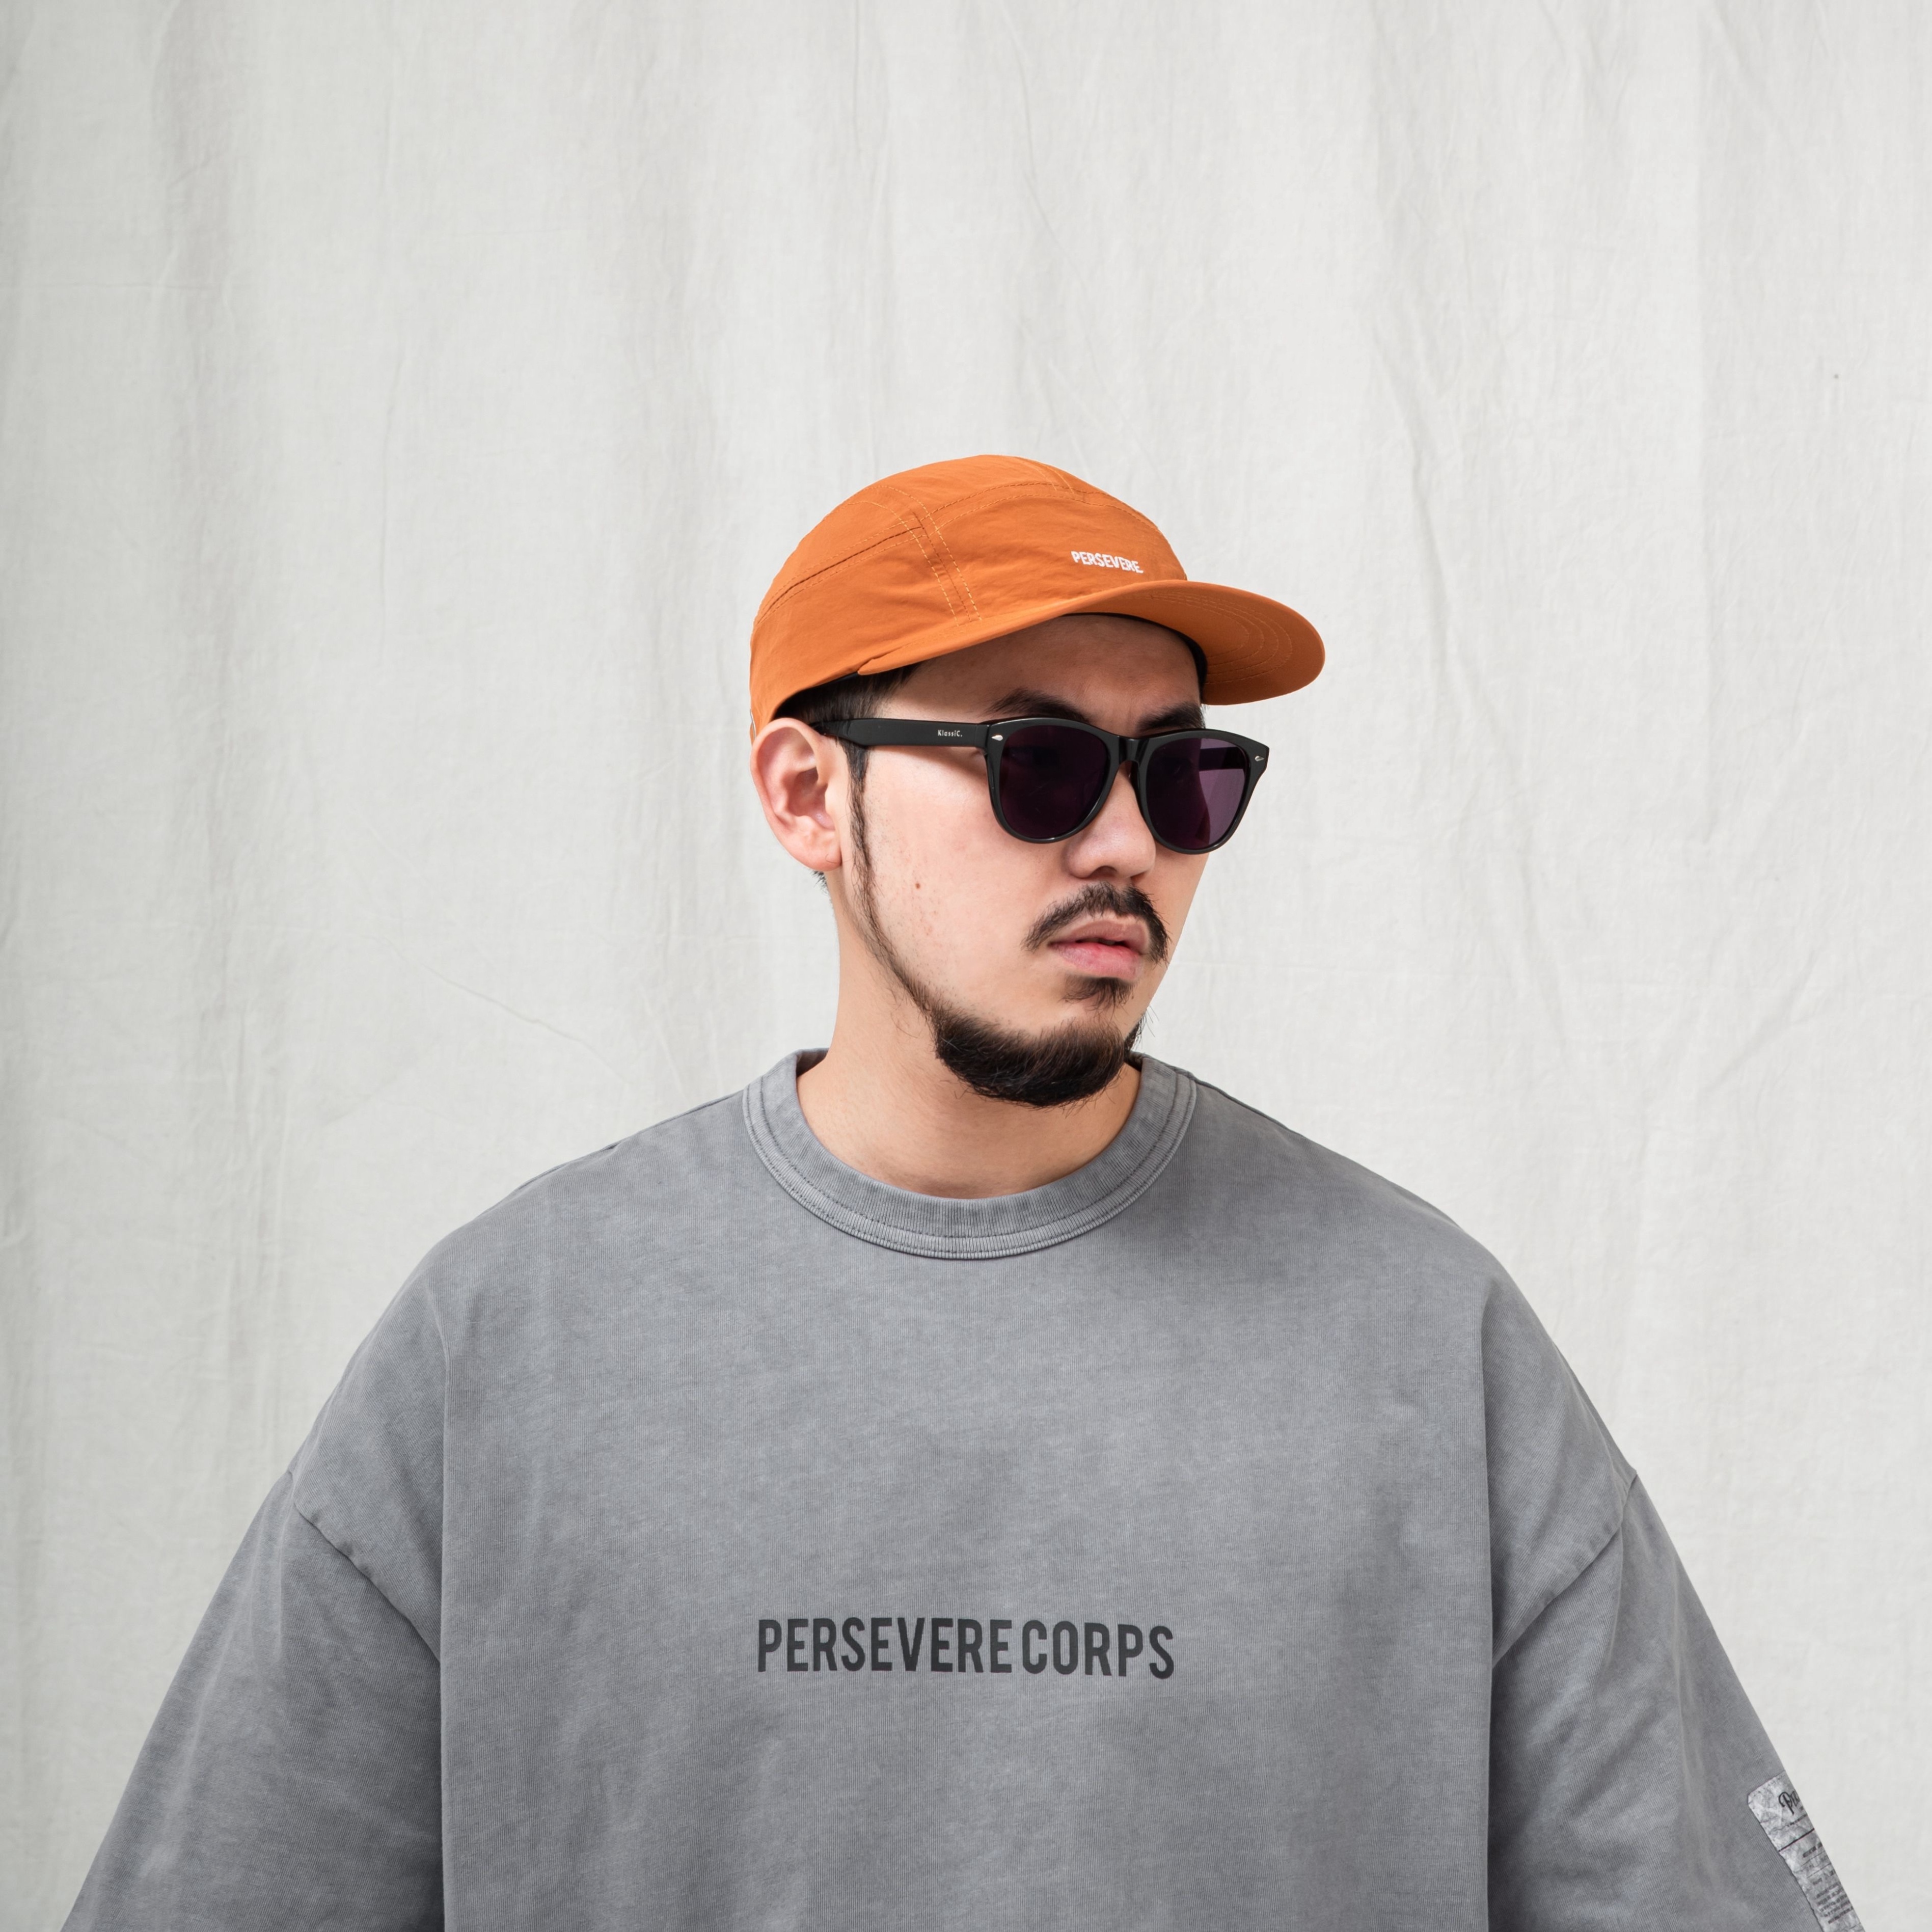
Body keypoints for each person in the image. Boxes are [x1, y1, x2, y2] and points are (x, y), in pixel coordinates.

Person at [66, 454, 1858, 1931]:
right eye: (1037, 763)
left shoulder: (1420, 1338)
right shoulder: (509, 1344)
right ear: (806, 793)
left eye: (1184, 775)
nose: (1124, 841)